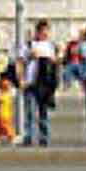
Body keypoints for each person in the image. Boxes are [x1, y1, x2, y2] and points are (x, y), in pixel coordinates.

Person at [23, 20, 59, 148]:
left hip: (45, 84)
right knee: (29, 112)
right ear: (37, 32)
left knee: (43, 113)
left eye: (46, 31)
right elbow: (20, 61)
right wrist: (30, 56)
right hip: (31, 81)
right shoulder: (29, 45)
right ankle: (27, 137)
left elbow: (56, 64)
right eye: (42, 31)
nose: (44, 34)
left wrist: (53, 61)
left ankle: (44, 138)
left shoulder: (51, 46)